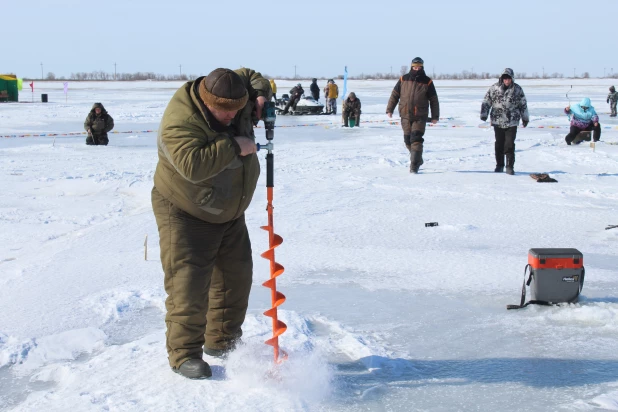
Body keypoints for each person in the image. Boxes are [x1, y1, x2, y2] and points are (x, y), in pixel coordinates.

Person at [151, 67, 271, 379]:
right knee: (187, 284)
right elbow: (192, 165)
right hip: (185, 208)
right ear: (206, 102)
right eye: (224, 111)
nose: (232, 116)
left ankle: (221, 342)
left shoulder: (234, 89)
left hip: (228, 209)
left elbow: (250, 74)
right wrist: (235, 146)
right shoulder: (180, 120)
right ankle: (183, 354)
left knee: (236, 278)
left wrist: (259, 95)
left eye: (237, 109)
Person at [386, 57, 439, 174]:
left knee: (416, 139)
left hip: (420, 116)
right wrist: (390, 109)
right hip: (405, 114)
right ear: (411, 67)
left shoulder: (427, 81)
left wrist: (435, 116)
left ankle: (414, 166)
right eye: (415, 66)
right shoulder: (403, 79)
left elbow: (434, 100)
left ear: (422, 67)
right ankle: (418, 158)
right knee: (407, 140)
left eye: (419, 67)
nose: (417, 69)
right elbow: (394, 95)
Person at [480, 68, 529, 175]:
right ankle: (499, 165)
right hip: (497, 120)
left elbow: (523, 104)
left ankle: (509, 166)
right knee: (499, 144)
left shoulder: (517, 89)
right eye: (504, 78)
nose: (506, 80)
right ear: (502, 79)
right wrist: (484, 114)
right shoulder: (494, 88)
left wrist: (525, 118)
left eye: (508, 78)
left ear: (512, 78)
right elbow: (486, 101)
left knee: (509, 144)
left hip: (512, 121)